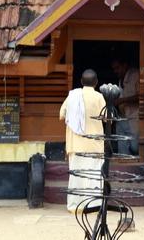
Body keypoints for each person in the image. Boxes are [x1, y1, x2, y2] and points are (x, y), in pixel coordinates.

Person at [59, 69, 106, 213]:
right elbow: (106, 117)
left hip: (76, 144)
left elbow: (62, 115)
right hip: (94, 144)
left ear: (81, 82)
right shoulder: (99, 97)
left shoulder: (73, 96)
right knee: (94, 175)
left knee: (76, 176)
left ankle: (75, 206)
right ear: (96, 83)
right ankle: (93, 205)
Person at [111, 58, 139, 156]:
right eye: (114, 69)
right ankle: (123, 161)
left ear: (125, 65)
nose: (115, 71)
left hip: (135, 117)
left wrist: (121, 100)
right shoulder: (120, 79)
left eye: (117, 68)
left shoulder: (135, 75)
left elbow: (141, 96)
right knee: (121, 141)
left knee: (135, 147)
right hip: (123, 117)